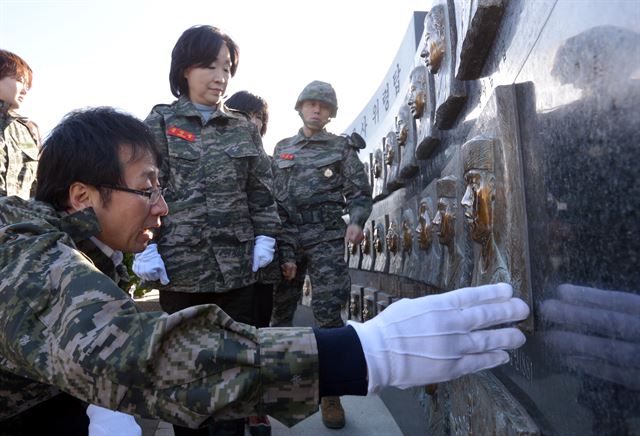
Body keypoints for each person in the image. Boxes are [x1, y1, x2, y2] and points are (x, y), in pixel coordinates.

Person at [0, 106, 529, 435]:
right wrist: (361, 355)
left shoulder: (80, 251)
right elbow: (132, 356)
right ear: (82, 197)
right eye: (147, 187)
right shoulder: (19, 254)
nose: (162, 205)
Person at [134, 26, 282, 435]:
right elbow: (140, 190)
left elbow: (261, 191)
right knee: (188, 381)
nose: (221, 77)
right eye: (209, 66)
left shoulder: (242, 128)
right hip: (180, 271)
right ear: (184, 69)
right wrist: (143, 247)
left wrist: (266, 236)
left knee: (233, 375)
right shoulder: (158, 123)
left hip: (236, 271)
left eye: (227, 68)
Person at [270, 80, 372, 429]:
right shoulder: (282, 148)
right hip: (288, 237)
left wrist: (356, 222)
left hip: (327, 237)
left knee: (329, 316)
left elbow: (359, 193)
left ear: (330, 113)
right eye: (311, 104)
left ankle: (331, 394)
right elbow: (272, 199)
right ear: (300, 107)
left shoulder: (342, 149)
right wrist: (280, 245)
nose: (316, 110)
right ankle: (278, 384)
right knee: (280, 312)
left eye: (324, 106)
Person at [225, 90, 294, 436]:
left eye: (258, 118)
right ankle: (228, 406)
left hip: (262, 269)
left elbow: (282, 213)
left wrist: (287, 255)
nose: (253, 123)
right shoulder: (216, 156)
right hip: (222, 269)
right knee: (228, 339)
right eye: (246, 115)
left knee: (259, 337)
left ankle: (254, 408)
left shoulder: (269, 163)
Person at [0, 49, 40, 199]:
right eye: (19, 80)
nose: (24, 91)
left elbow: (38, 190)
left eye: (27, 85)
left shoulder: (29, 130)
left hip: (20, 220)